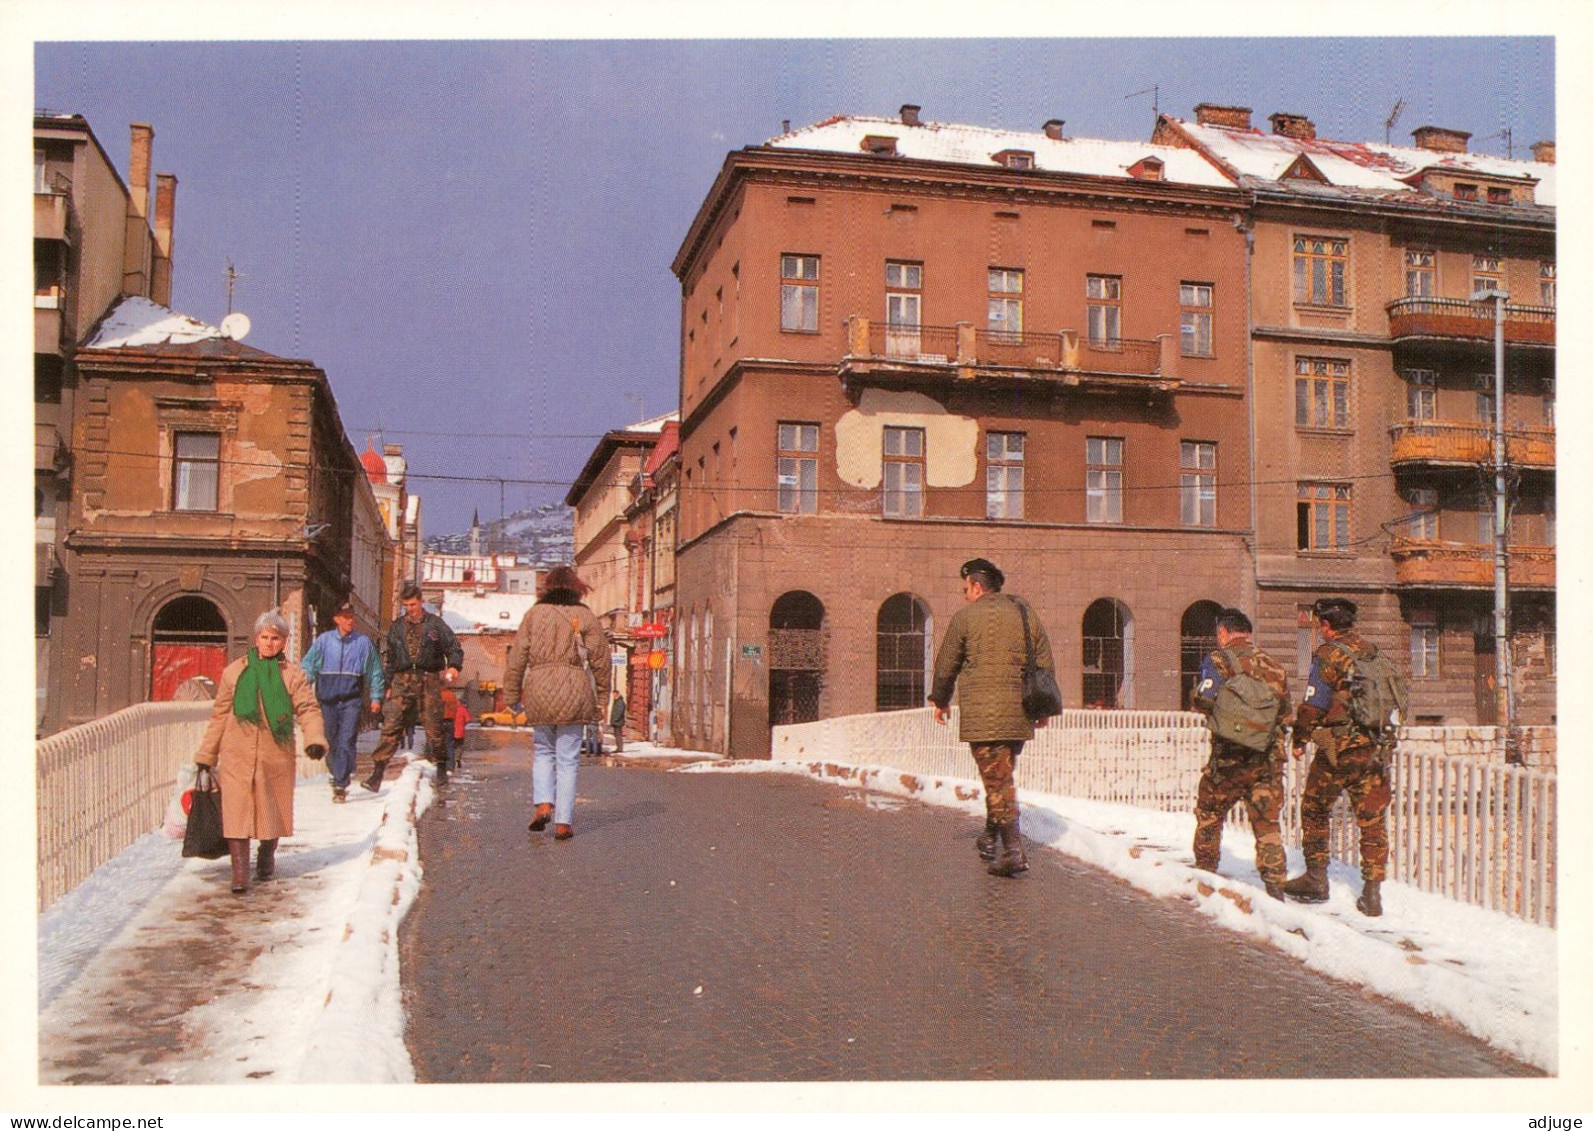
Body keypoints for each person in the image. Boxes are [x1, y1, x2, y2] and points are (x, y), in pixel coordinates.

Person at [929, 558, 1056, 878]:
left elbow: (946, 664)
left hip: (985, 718)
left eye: (966, 589)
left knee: (998, 781)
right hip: (1019, 714)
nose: (965, 595)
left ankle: (1014, 852)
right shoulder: (1025, 614)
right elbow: (1044, 660)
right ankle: (989, 837)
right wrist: (1042, 710)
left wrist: (939, 700)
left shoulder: (965, 617)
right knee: (1001, 777)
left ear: (976, 586)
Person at [195, 611, 327, 894]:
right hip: (237, 753)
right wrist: (206, 756)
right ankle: (240, 873)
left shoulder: (292, 675)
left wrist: (314, 738)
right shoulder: (235, 672)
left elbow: (308, 709)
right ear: (256, 639)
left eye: (275, 639)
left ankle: (266, 856)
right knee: (236, 813)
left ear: (283, 642)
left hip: (275, 754)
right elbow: (219, 716)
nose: (269, 643)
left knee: (272, 809)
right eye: (264, 638)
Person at [1283, 597, 1393, 917]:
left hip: (1339, 747)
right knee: (1371, 819)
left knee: (1315, 807)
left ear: (1327, 626)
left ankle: (1317, 880)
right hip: (1373, 746)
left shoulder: (1327, 654)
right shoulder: (1372, 651)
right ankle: (1372, 894)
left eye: (1320, 625)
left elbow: (1314, 704)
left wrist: (1301, 737)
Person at [1189, 608, 1293, 900]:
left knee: (1210, 813)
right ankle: (1275, 891)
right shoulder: (1274, 666)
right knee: (1267, 827)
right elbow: (1285, 714)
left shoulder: (1219, 660)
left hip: (1229, 759)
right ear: (1247, 632)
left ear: (1223, 632)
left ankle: (1205, 877)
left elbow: (1204, 697)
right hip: (1267, 760)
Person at [503, 565, 610, 841]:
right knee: (568, 759)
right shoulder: (585, 615)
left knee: (543, 751)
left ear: (548, 587)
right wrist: (603, 696)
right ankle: (563, 822)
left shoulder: (533, 615)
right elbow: (600, 659)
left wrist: (512, 695)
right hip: (574, 687)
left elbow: (517, 658)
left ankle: (542, 804)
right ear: (576, 587)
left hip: (538, 687)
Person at [365, 584, 463, 789]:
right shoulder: (397, 627)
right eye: (406, 605)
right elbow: (390, 658)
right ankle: (377, 773)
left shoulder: (435, 625)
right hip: (402, 680)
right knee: (392, 725)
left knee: (434, 726)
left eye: (413, 604)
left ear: (421, 601)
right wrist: (388, 684)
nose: (410, 608)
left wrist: (453, 666)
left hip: (428, 680)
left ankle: (441, 766)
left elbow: (453, 646)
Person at [299, 600, 385, 803]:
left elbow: (375, 671)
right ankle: (336, 772)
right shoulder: (323, 641)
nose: (350, 621)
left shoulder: (362, 643)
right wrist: (301, 688)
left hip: (350, 701)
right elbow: (308, 666)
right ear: (337, 619)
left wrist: (375, 696)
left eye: (351, 617)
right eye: (345, 617)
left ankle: (340, 783)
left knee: (346, 740)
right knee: (330, 740)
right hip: (327, 700)